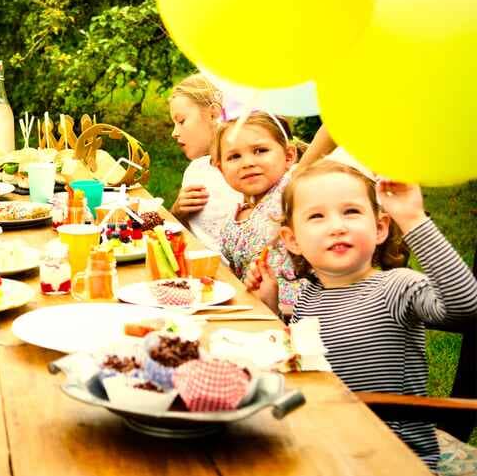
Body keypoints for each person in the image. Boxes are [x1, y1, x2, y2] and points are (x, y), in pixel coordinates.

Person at [246, 160, 477, 469]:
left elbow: (466, 307)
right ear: (293, 240)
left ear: (380, 227)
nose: (337, 226)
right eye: (316, 216)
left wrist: (412, 218)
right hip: (322, 442)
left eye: (351, 212)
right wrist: (271, 308)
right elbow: (306, 364)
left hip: (391, 458)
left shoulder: (398, 287)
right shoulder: (308, 296)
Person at [212, 111, 302, 314]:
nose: (247, 163)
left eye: (260, 150)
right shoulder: (236, 214)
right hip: (252, 311)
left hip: (295, 317)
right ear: (221, 169)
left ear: (289, 156)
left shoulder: (290, 192)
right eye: (234, 156)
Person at [168, 73, 242, 252]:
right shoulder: (196, 170)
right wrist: (177, 213)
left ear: (213, 113)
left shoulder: (248, 171)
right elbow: (186, 235)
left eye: (181, 121)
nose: (174, 133)